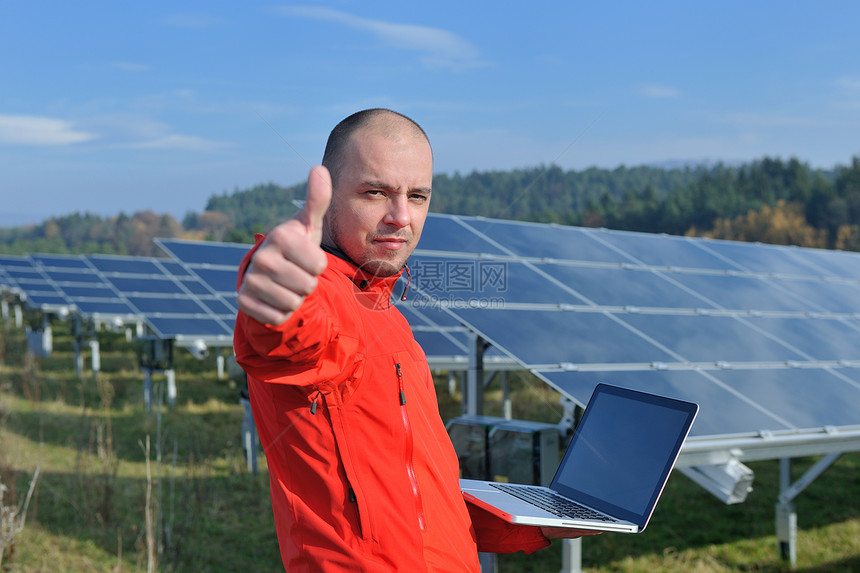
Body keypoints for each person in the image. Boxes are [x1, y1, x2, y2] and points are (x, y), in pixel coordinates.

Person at [234, 109, 593, 572]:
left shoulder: (388, 316)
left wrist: (537, 525)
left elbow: (420, 505)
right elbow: (289, 338)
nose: (401, 217)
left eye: (417, 195)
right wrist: (274, 291)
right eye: (375, 192)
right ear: (328, 192)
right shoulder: (323, 298)